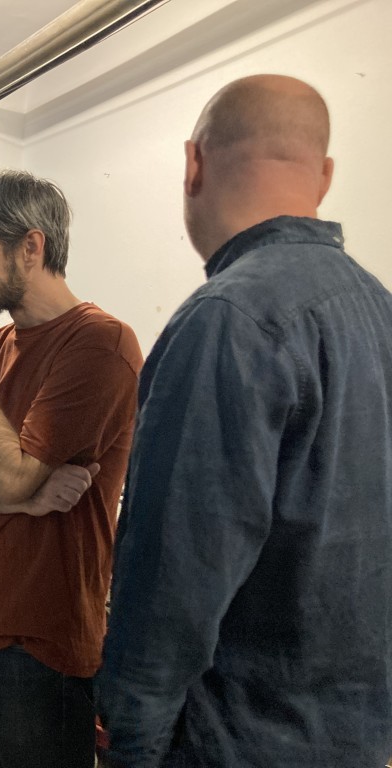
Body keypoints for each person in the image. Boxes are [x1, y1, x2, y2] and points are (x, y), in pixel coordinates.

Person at [96, 75, 392, 767]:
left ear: (193, 164)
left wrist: (129, 744)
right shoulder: (381, 313)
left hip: (233, 739)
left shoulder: (227, 320)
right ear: (323, 176)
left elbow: (174, 576)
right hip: (356, 738)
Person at [0, 169, 143, 768]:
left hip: (39, 643)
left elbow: (13, 472)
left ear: (31, 246)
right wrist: (20, 498)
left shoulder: (100, 343)